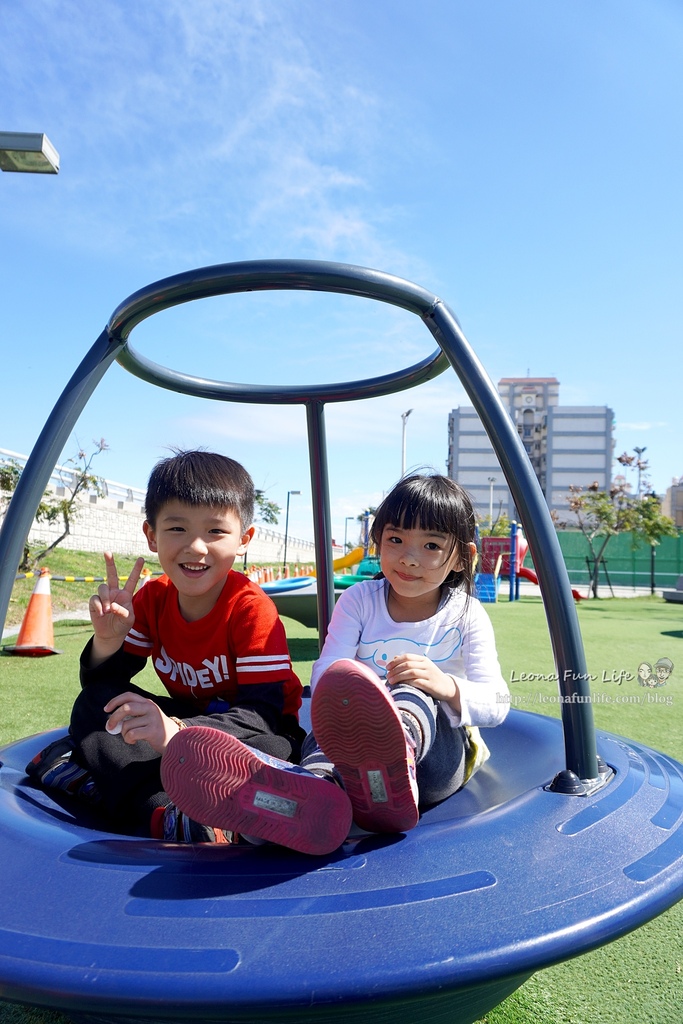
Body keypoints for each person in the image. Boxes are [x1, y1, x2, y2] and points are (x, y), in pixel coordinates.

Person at [160, 472, 510, 853]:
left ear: (463, 557)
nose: (409, 557)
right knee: (341, 720)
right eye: (396, 540)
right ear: (377, 542)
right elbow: (328, 673)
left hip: (433, 765)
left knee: (412, 689)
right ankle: (300, 805)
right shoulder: (360, 599)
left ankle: (395, 750)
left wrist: (445, 686)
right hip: (356, 764)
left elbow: (496, 702)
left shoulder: (466, 614)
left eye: (430, 545)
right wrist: (362, 694)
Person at [25, 449, 349, 846]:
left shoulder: (251, 608)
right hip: (184, 726)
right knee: (97, 703)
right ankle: (170, 810)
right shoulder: (152, 599)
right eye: (177, 529)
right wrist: (108, 641)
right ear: (151, 535)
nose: (196, 547)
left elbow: (261, 715)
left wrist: (176, 733)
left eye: (215, 532)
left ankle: (94, 782)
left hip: (249, 729)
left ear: (244, 540)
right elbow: (104, 683)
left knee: (276, 748)